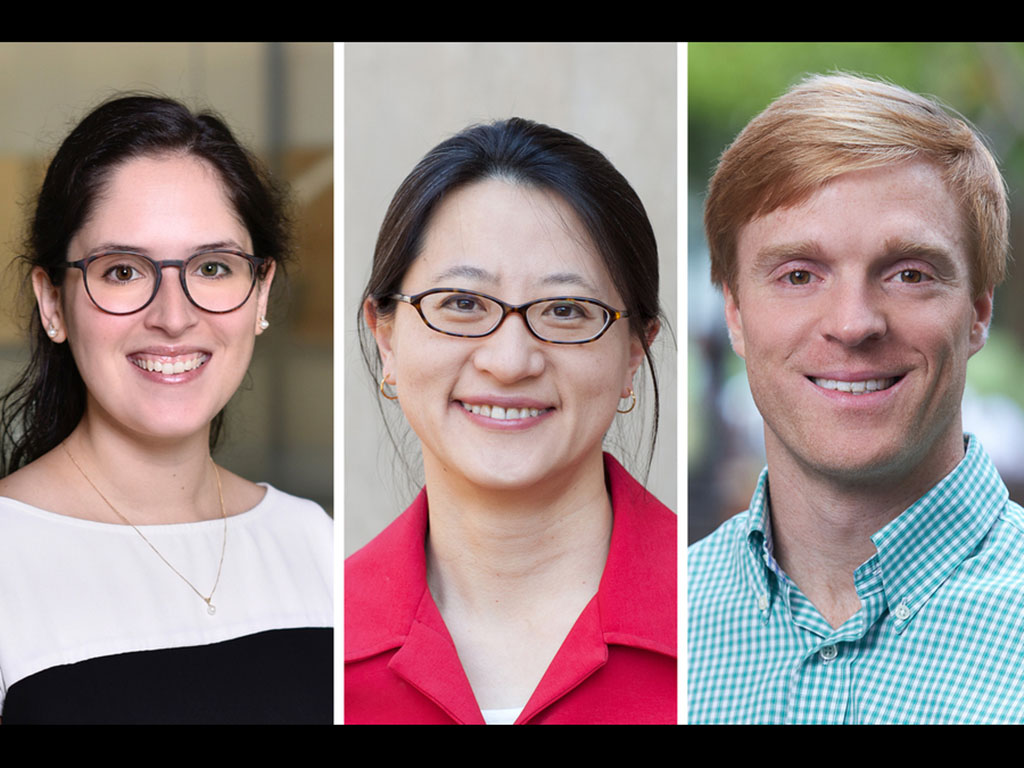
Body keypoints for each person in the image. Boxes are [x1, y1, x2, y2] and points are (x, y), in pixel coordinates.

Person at [688, 73, 1024, 723]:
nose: (852, 323)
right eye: (798, 275)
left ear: (979, 311)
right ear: (733, 311)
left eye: (908, 274)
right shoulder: (666, 623)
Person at [0, 96, 332, 724]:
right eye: (123, 271)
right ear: (52, 303)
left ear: (260, 293)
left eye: (211, 267)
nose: (174, 317)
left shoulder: (311, 542)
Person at [345, 118, 676, 725]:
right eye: (462, 304)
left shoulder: (723, 626)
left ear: (635, 352)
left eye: (567, 310)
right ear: (385, 336)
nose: (509, 361)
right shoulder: (320, 638)